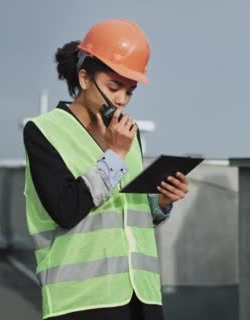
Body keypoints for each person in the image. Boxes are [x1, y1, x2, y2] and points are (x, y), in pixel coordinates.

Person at [23, 19, 190, 320]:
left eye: (130, 92)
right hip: (80, 302)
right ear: (85, 78)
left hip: (142, 296)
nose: (122, 100)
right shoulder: (43, 132)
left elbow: (130, 211)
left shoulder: (129, 133)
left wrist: (163, 203)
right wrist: (115, 155)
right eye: (114, 87)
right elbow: (66, 209)